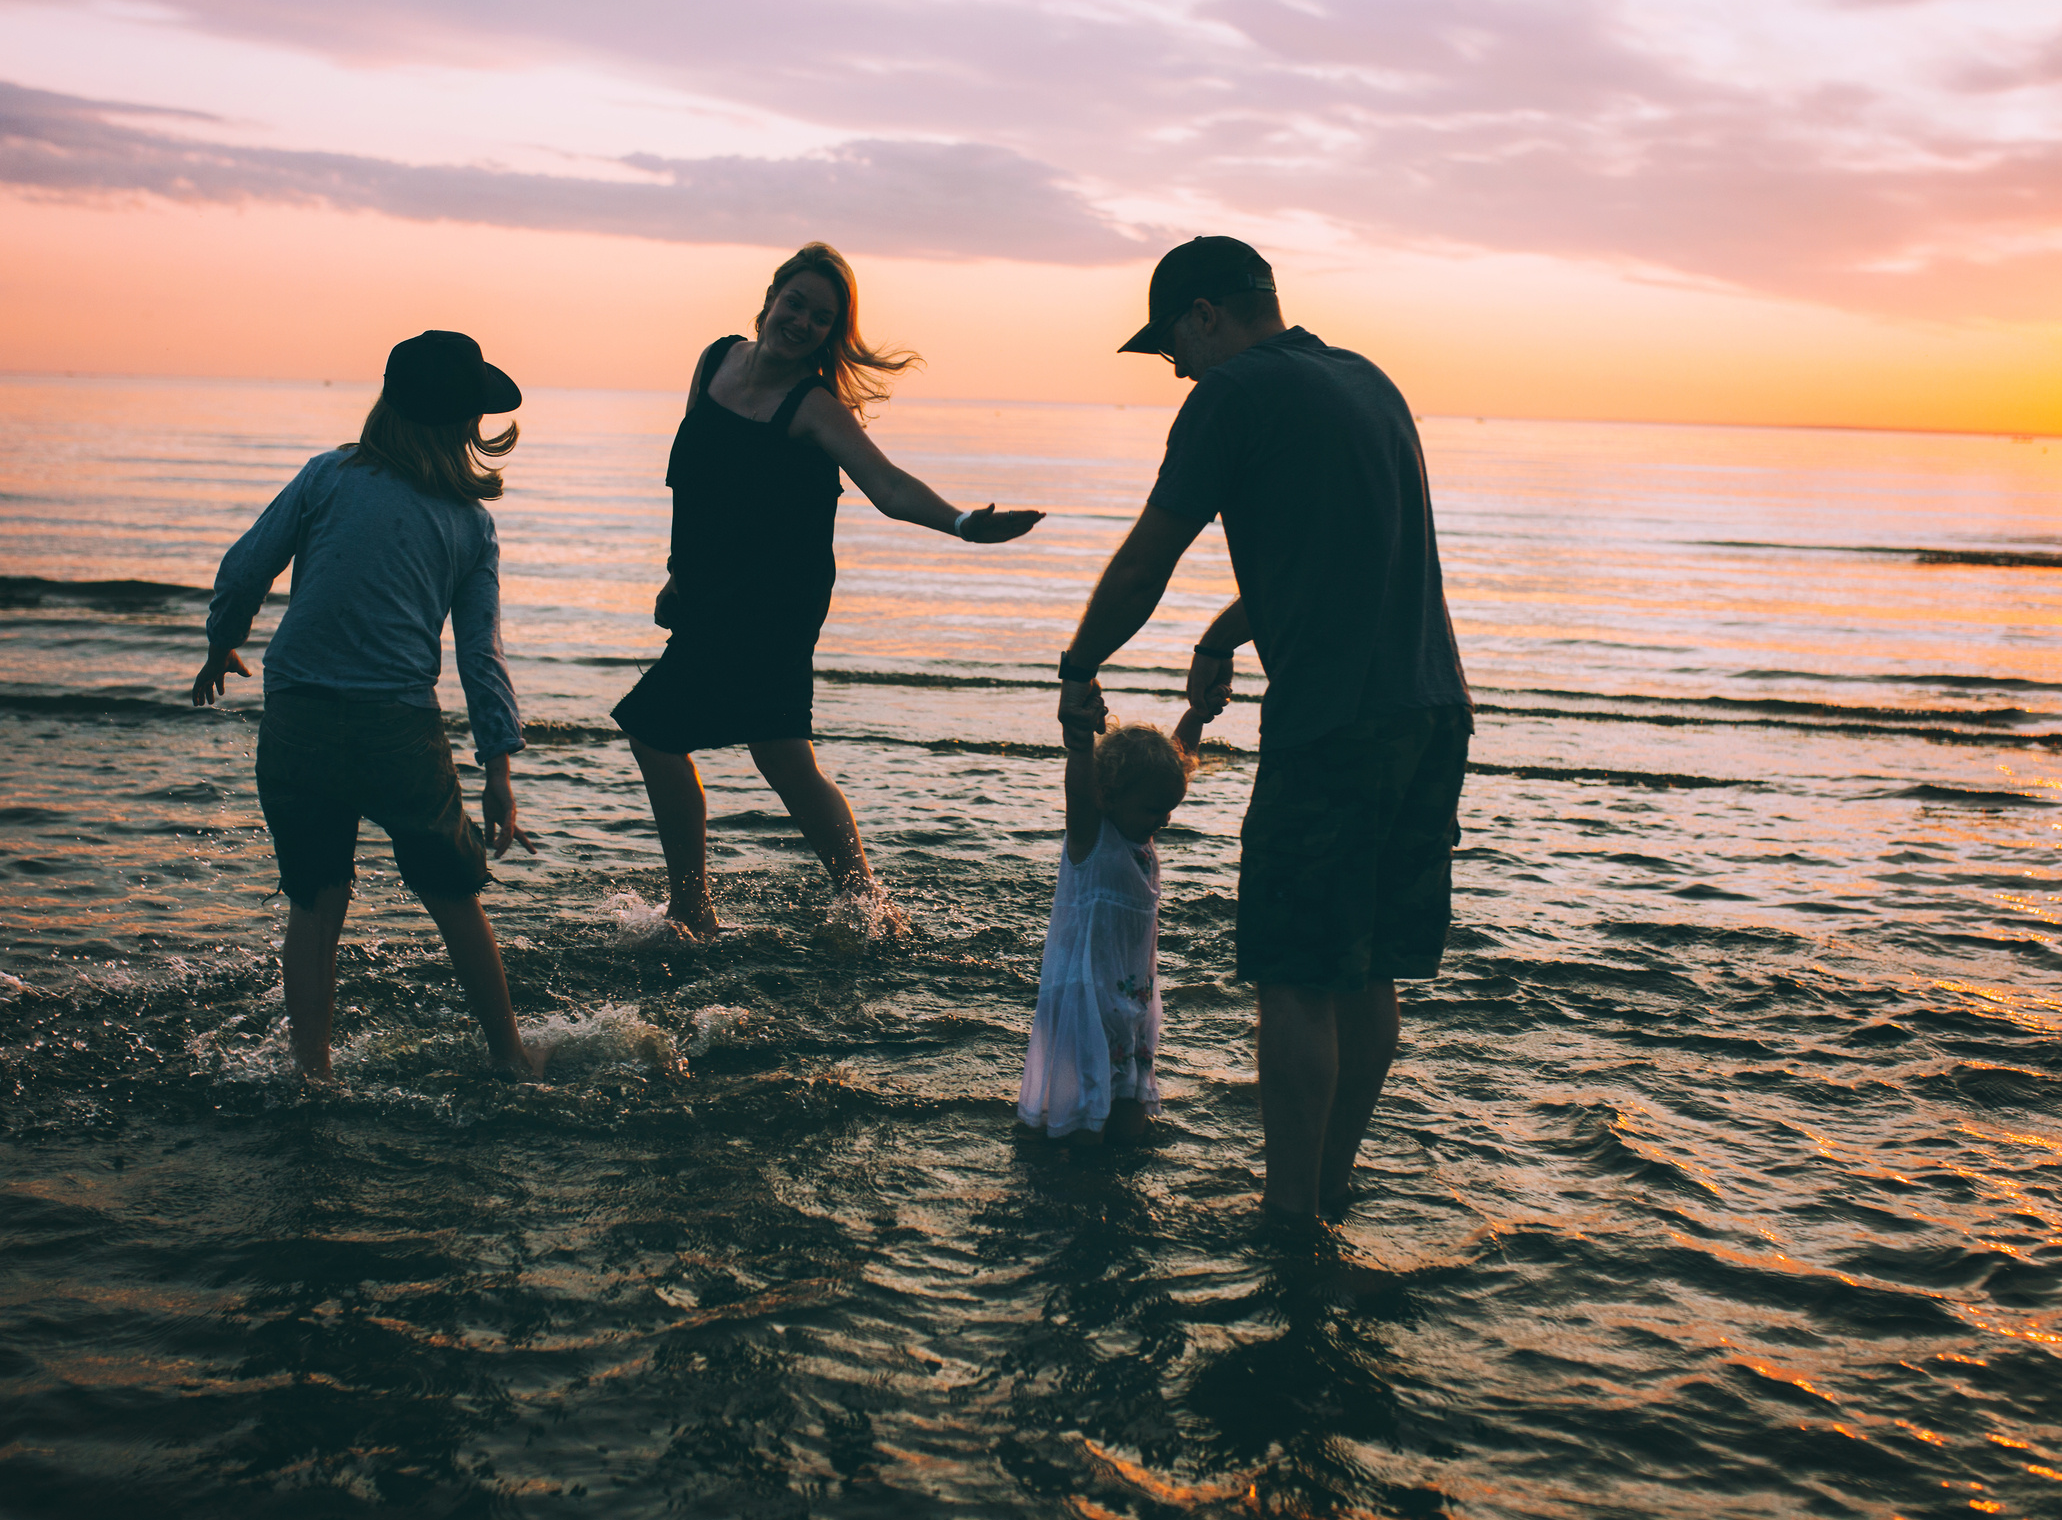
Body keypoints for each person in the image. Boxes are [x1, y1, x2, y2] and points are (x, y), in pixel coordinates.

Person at [1055, 237, 1472, 1221]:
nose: (1176, 372)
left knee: (1294, 975)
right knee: (1365, 969)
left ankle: (1287, 1226)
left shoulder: (1232, 395)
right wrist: (1231, 626)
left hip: (1333, 722)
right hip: (1431, 708)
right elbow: (1359, 547)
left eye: (1172, 349)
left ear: (1205, 315)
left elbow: (1147, 556)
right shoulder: (1367, 382)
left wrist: (1078, 664)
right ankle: (1325, 1194)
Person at [613, 241, 1045, 937]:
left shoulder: (812, 406)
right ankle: (865, 903)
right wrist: (675, 570)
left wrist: (965, 524)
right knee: (779, 751)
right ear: (769, 299)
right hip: (710, 588)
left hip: (773, 599)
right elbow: (695, 481)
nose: (803, 321)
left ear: (829, 334)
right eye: (796, 303)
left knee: (657, 729)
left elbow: (889, 485)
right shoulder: (714, 361)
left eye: (821, 317)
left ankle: (695, 908)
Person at [192, 329, 544, 1083]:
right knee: (455, 895)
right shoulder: (470, 523)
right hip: (399, 731)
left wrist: (222, 640)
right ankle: (511, 1057)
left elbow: (246, 565)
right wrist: (498, 767)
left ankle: (312, 1076)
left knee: (317, 902)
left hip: (299, 717)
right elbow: (481, 657)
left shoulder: (327, 476)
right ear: (465, 425)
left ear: (386, 402)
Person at [1016, 701, 1221, 1142]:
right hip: (1084, 1001)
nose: (1164, 820)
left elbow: (1179, 758)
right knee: (1082, 1112)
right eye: (1154, 809)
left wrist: (1198, 713)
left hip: (1133, 1005)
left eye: (1170, 808)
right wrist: (1082, 739)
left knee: (1130, 1104)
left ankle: (1120, 1166)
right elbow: (1080, 783)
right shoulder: (1092, 836)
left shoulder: (1141, 837)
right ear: (1107, 795)